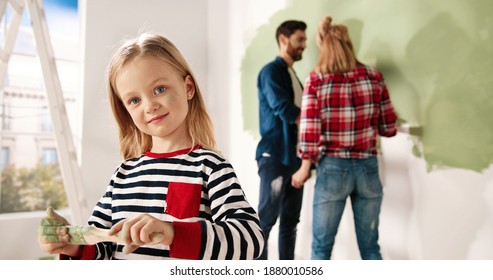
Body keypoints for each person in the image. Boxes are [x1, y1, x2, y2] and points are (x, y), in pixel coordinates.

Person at [37, 33, 264, 260]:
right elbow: (102, 244)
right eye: (134, 100)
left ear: (188, 88)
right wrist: (72, 246)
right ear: (126, 111)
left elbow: (251, 240)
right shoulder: (123, 175)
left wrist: (173, 233)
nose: (150, 105)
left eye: (159, 89)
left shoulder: (211, 167)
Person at [292, 16, 398, 260]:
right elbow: (389, 127)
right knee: (370, 247)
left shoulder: (317, 79)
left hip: (333, 170)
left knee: (321, 248)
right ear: (349, 45)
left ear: (324, 47)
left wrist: (304, 167)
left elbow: (309, 131)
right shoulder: (374, 77)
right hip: (368, 168)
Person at [255, 20, 307, 260]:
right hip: (275, 157)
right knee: (265, 222)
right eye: (299, 39)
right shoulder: (271, 72)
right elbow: (285, 110)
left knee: (290, 223)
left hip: (295, 160)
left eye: (304, 40)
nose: (304, 45)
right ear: (283, 40)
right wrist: (315, 118)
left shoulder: (291, 74)